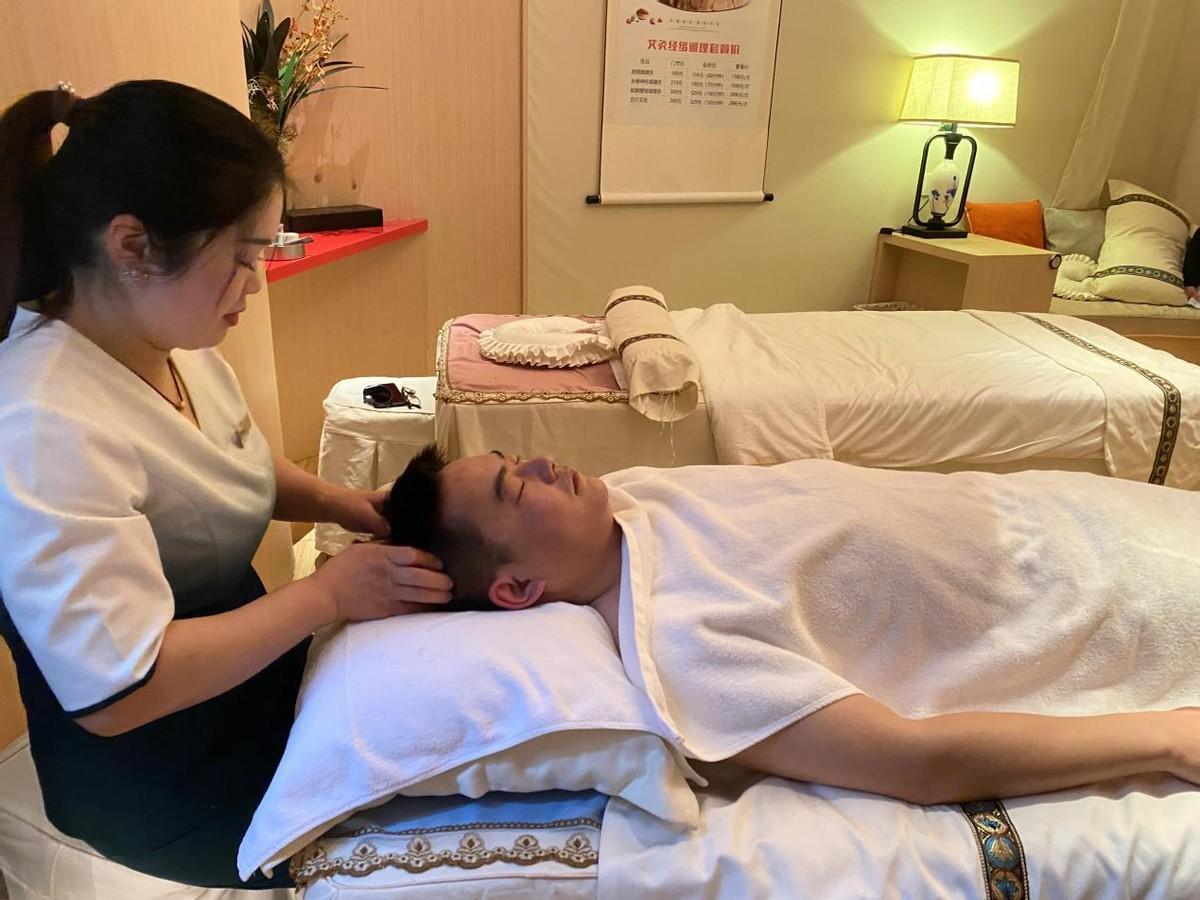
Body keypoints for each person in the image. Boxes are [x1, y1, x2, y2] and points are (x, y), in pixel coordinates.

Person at [0, 81, 453, 889]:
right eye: (244, 257)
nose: (257, 281)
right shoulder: (40, 422)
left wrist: (349, 505)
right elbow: (119, 692)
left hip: (247, 681)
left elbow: (228, 461)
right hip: (157, 776)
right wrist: (327, 595)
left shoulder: (169, 341)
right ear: (132, 245)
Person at [385, 444, 1200, 808]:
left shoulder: (633, 496)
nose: (539, 463)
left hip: (1058, 509)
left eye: (512, 455)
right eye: (514, 489)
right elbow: (917, 764)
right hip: (1102, 597)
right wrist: (1167, 739)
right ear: (518, 589)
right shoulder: (687, 649)